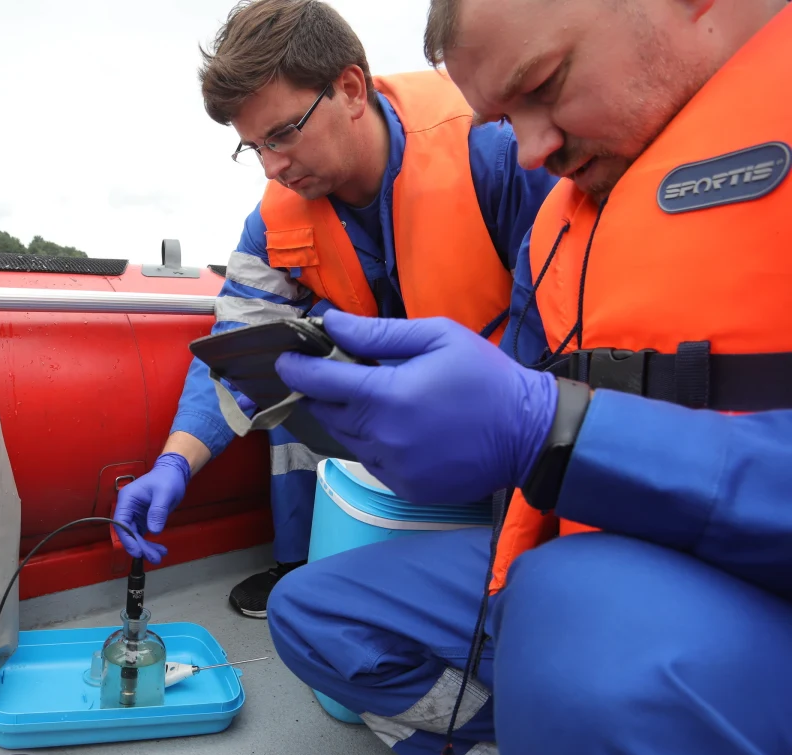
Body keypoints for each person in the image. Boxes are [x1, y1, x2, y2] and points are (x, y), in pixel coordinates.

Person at [266, 0, 792, 755]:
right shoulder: (554, 229)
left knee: (581, 639)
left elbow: (541, 424)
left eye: (544, 84)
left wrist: (553, 433)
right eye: (508, 119)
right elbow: (520, 387)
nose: (534, 150)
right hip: (560, 545)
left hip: (736, 580)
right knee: (311, 609)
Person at [110, 0, 557, 620]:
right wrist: (173, 465)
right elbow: (235, 347)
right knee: (286, 360)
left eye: (283, 134)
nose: (271, 167)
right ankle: (301, 563)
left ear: (350, 88)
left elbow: (570, 328)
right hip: (401, 435)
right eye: (253, 147)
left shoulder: (495, 151)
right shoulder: (271, 221)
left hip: (512, 423)